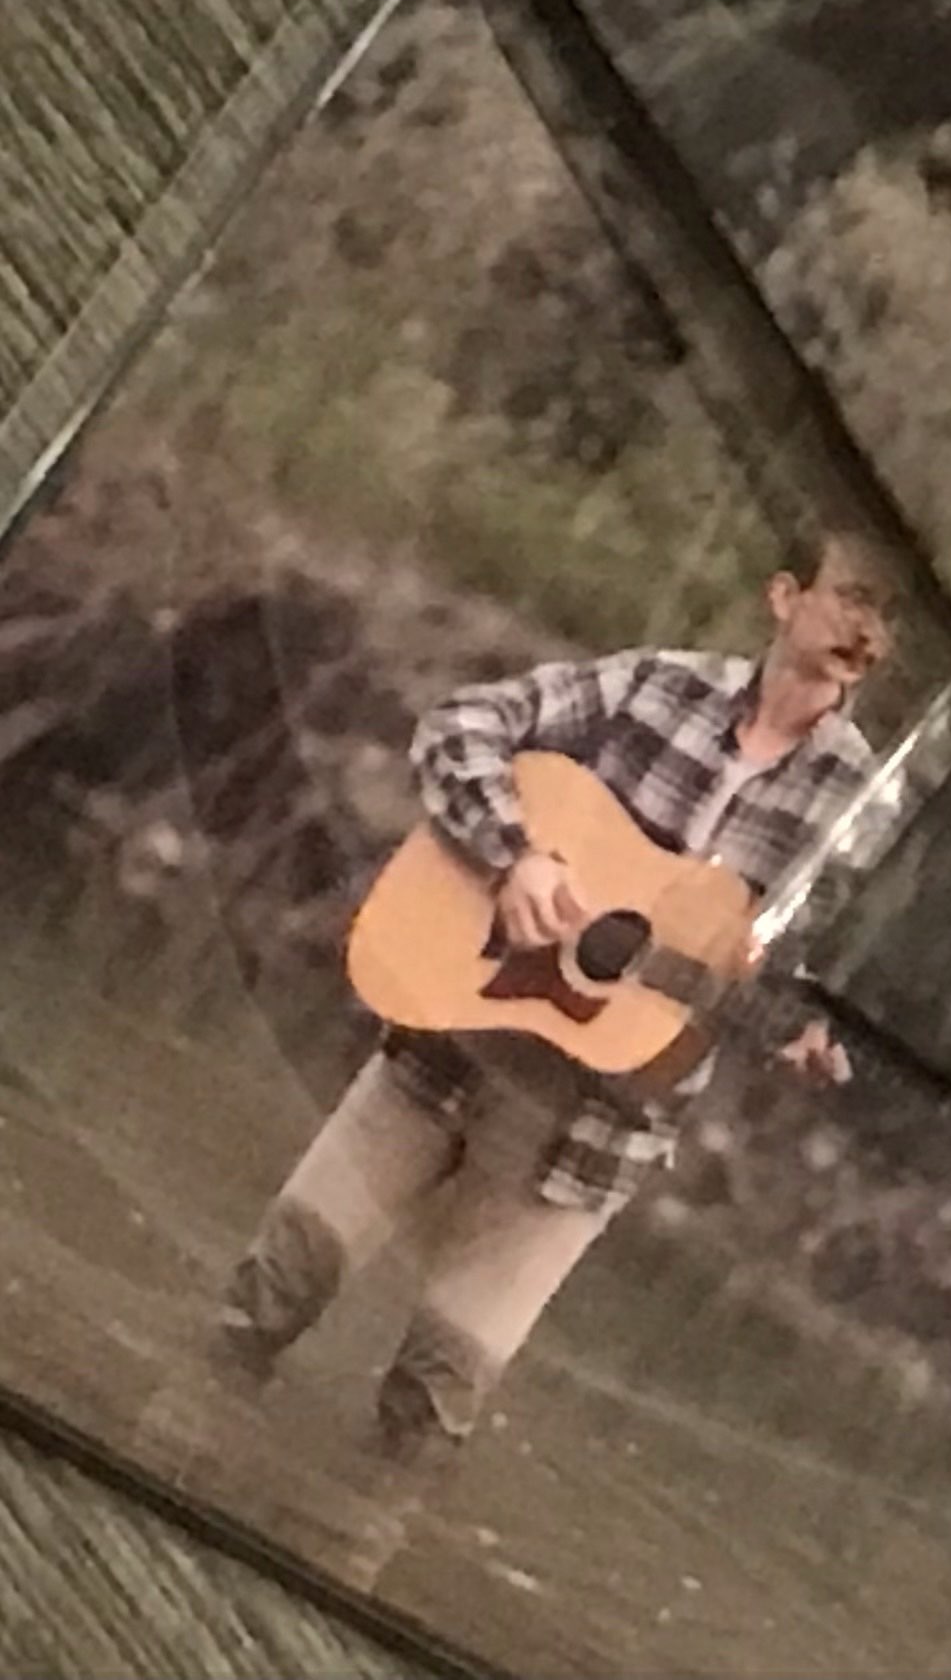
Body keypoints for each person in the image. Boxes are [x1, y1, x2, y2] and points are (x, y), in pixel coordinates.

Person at [209, 526, 897, 1465]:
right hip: (451, 1036)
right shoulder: (657, 687)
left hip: (592, 1132)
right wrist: (517, 857)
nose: (869, 628)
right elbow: (460, 726)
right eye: (854, 597)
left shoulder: (862, 808)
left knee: (428, 1417)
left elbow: (814, 966)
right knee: (258, 1305)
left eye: (888, 616)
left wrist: (803, 1023)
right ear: (786, 598)